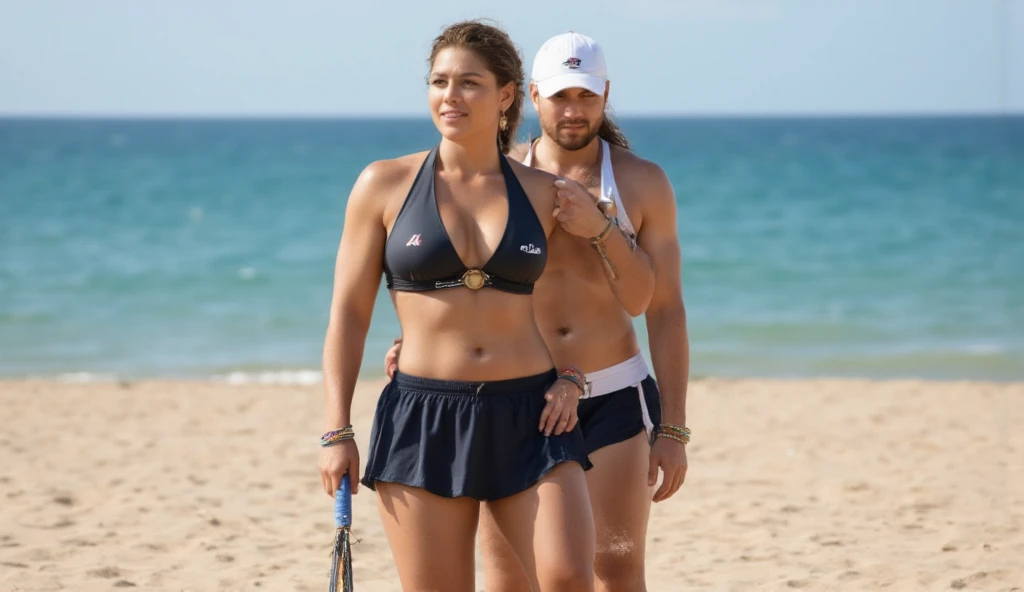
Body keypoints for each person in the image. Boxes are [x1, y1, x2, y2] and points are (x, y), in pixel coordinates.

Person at [385, 31, 692, 592]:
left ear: (605, 95)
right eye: (559, 97)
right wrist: (419, 341)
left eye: (585, 96)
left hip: (612, 393)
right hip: (526, 399)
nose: (572, 111)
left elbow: (659, 308)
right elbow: (458, 282)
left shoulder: (642, 182)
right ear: (530, 96)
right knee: (512, 577)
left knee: (615, 568)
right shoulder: (506, 181)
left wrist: (672, 426)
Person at [318, 20, 611, 592]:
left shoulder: (543, 193)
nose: (450, 96)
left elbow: (586, 308)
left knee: (571, 576)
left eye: (469, 83)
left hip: (534, 415)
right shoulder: (384, 184)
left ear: (506, 95)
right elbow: (349, 316)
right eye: (439, 81)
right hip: (424, 415)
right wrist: (336, 431)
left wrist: (574, 377)